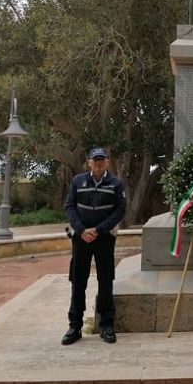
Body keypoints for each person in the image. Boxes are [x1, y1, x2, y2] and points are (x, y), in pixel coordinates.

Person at [61, 147, 126, 345]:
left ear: (108, 162)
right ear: (88, 162)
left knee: (106, 280)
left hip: (104, 239)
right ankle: (75, 326)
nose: (98, 162)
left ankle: (106, 325)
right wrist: (82, 230)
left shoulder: (115, 183)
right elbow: (69, 206)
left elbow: (120, 210)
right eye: (94, 159)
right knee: (78, 280)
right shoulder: (77, 181)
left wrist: (98, 230)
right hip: (81, 239)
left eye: (101, 159)